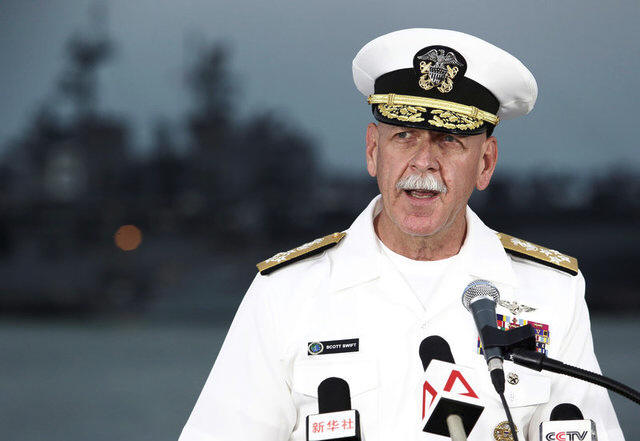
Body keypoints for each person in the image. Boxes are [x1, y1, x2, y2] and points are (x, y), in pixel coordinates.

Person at [178, 28, 624, 441]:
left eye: (449, 140)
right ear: (374, 150)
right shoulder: (286, 294)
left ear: (485, 163)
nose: (424, 161)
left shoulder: (552, 295)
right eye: (405, 135)